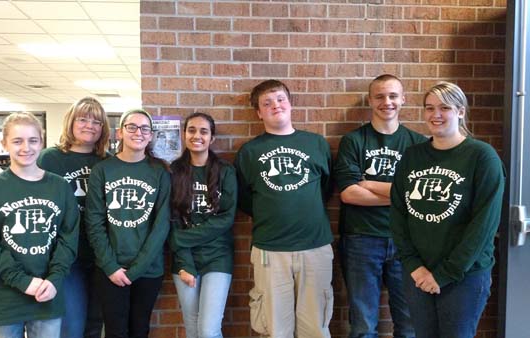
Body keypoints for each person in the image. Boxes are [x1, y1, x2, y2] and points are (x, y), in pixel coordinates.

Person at [390, 82, 505, 338]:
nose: (435, 114)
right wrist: (413, 265)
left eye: (444, 107)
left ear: (461, 111)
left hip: (463, 277)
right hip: (418, 274)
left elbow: (484, 225)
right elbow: (398, 213)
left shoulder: (482, 157)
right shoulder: (412, 156)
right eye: (429, 108)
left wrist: (445, 274)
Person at [234, 79, 334, 338]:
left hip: (315, 247)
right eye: (266, 103)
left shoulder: (316, 144)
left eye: (280, 99)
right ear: (259, 113)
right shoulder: (249, 152)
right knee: (275, 328)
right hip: (271, 249)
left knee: (315, 327)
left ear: (290, 103)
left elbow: (326, 188)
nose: (275, 105)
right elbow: (245, 199)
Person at [0, 112, 79, 337]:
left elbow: (68, 239)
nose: (25, 148)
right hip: (3, 297)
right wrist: (22, 281)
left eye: (32, 140)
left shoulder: (59, 187)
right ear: (4, 144)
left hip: (47, 293)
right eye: (17, 141)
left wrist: (55, 278)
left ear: (41, 141)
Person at [334, 74, 425, 338]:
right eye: (380, 96)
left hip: (407, 241)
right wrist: (402, 195)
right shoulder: (354, 140)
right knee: (363, 326)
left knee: (409, 325)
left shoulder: (418, 143)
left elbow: (419, 196)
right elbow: (350, 194)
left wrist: (369, 183)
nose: (387, 102)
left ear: (403, 99)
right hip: (361, 239)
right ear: (370, 101)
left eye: (393, 95)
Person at [85, 109, 170, 338]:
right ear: (120, 132)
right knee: (115, 331)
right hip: (110, 268)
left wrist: (136, 270)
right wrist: (110, 266)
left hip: (148, 269)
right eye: (131, 127)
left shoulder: (160, 172)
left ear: (151, 135)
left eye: (144, 128)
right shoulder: (102, 170)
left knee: (140, 329)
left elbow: (161, 225)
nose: (138, 132)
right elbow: (94, 222)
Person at [37, 97, 110, 338]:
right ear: (71, 122)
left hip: (101, 256)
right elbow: (21, 180)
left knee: (95, 326)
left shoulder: (108, 161)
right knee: (72, 326)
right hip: (68, 257)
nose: (90, 125)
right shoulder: (49, 158)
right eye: (83, 119)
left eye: (96, 121)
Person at [169, 112, 237, 338]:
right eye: (191, 130)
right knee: (192, 327)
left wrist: (180, 239)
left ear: (212, 138)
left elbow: (226, 218)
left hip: (217, 256)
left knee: (208, 330)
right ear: (184, 134)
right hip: (184, 258)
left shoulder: (225, 171)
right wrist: (183, 263)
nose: (197, 135)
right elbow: (173, 220)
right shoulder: (172, 172)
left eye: (203, 131)